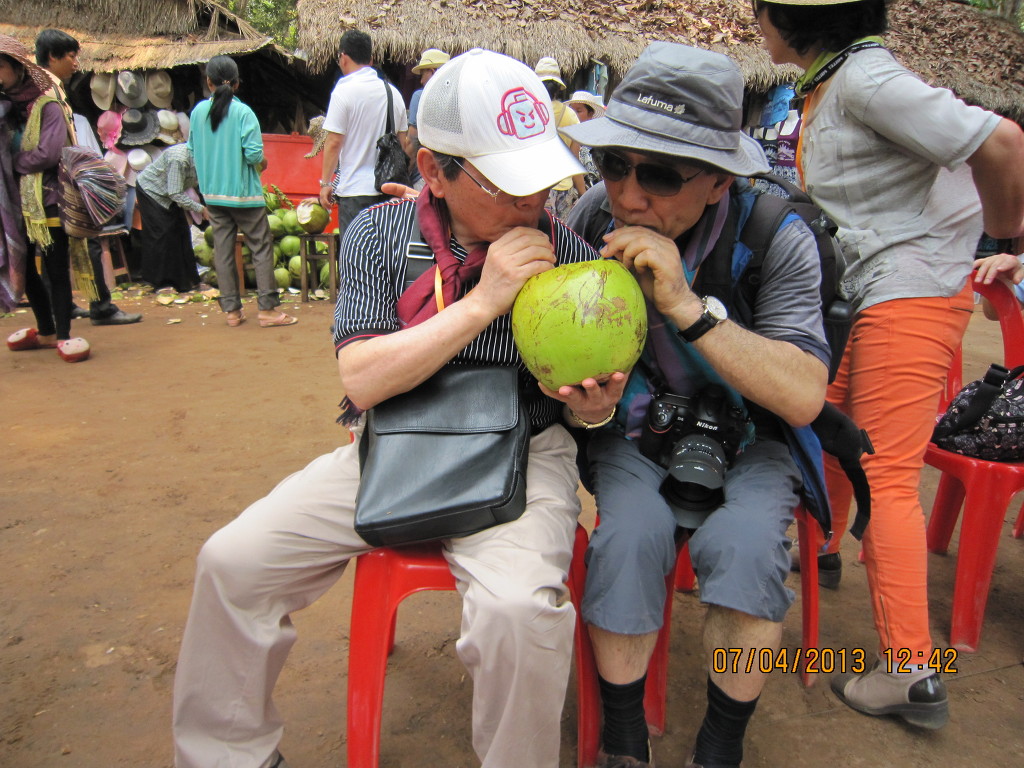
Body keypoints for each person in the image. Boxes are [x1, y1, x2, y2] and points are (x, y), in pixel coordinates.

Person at [172, 48, 599, 768]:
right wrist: (484, 302)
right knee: (233, 563)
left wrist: (594, 406)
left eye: (540, 180)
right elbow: (363, 380)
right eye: (506, 185)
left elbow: (585, 407)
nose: (532, 203)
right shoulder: (378, 234)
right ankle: (226, 755)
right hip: (397, 441)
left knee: (519, 615)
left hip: (522, 456)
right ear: (433, 170)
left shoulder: (571, 257)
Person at [752, 0, 1024, 730]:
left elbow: (1002, 143)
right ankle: (822, 548)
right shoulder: (838, 79)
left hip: (913, 291)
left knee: (888, 476)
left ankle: (911, 672)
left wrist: (1006, 242)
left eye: (761, 9)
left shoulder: (868, 80)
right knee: (832, 425)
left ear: (792, 17)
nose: (756, 22)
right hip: (876, 289)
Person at [559, 42, 831, 768]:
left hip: (753, 436)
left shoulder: (776, 236)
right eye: (613, 163)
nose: (628, 195)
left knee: (746, 549)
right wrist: (589, 404)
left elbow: (803, 395)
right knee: (628, 538)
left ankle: (720, 745)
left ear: (718, 182)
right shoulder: (589, 219)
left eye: (659, 174)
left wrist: (686, 305)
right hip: (636, 427)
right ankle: (624, 739)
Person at [35, 28, 141, 327]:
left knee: (54, 246)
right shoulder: (47, 93)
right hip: (60, 182)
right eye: (70, 56)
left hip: (53, 181)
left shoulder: (47, 89)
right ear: (53, 57)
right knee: (85, 239)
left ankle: (62, 305)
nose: (75, 63)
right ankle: (99, 307)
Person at [1, 34, 91, 362]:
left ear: (16, 68)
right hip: (17, 204)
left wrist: (11, 163)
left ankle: (64, 334)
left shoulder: (47, 106)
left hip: (49, 199)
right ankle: (46, 329)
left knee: (55, 267)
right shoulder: (7, 110)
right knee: (23, 266)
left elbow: (48, 154)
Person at [189, 55, 296, 328]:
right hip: (244, 194)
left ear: (209, 82)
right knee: (261, 247)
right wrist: (263, 163)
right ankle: (268, 310)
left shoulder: (198, 112)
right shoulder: (243, 113)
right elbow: (254, 155)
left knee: (223, 251)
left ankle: (232, 312)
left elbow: (192, 150)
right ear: (236, 84)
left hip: (213, 194)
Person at [317, 30, 408, 236]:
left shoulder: (343, 91)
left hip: (355, 193)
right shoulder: (393, 93)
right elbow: (403, 144)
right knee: (386, 253)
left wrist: (326, 184)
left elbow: (334, 141)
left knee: (355, 253)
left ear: (343, 57)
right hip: (389, 193)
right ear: (371, 60)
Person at [135, 142, 204, 292]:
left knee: (181, 231)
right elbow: (175, 194)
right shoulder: (179, 159)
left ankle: (189, 280)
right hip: (152, 189)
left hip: (171, 190)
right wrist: (201, 209)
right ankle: (161, 283)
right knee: (162, 233)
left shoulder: (204, 159)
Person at [533, 57, 586, 219]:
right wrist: (584, 194)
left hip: (538, 186)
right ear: (558, 88)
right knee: (561, 232)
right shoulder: (570, 115)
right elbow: (574, 158)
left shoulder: (528, 114)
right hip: (564, 187)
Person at [564, 90, 605, 189]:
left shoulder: (597, 141)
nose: (574, 114)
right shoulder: (566, 136)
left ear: (590, 113)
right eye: (572, 110)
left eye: (578, 111)